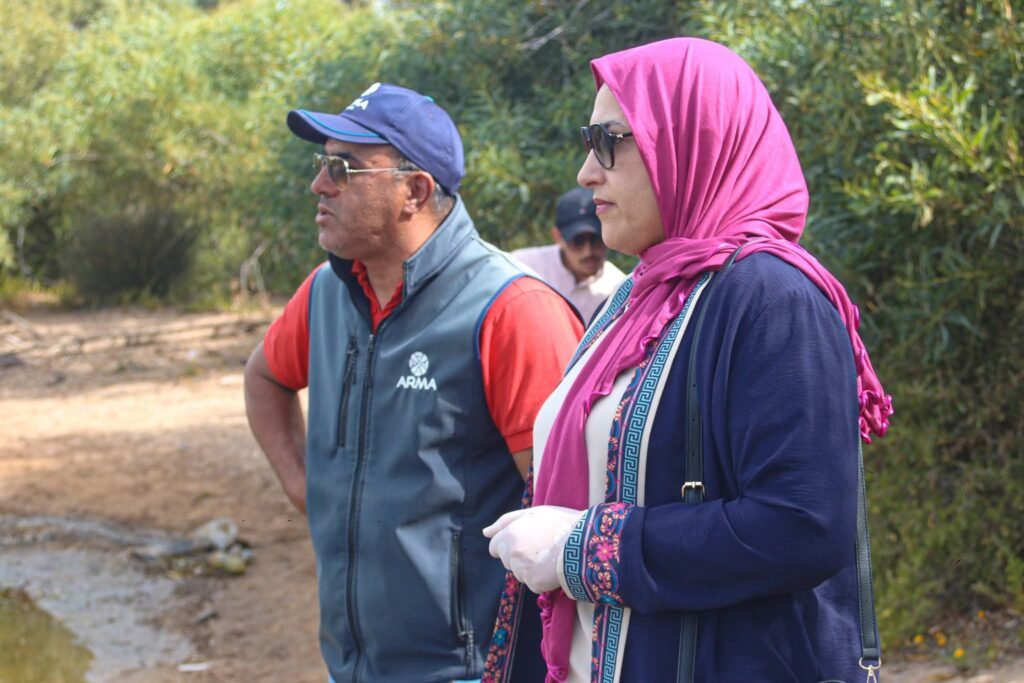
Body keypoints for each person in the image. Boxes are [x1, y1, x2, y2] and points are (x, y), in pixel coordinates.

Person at [481, 38, 893, 682]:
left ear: (690, 142)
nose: (586, 172)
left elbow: (803, 526)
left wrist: (581, 548)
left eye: (608, 141)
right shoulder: (636, 297)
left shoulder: (771, 298)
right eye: (588, 142)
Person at [243, 82, 584, 683]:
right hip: (352, 664)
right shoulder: (327, 293)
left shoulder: (512, 310)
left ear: (415, 191)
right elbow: (265, 377)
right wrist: (307, 489)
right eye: (322, 164)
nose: (319, 184)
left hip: (472, 669)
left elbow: (562, 511)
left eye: (343, 168)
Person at [511, 187, 626, 322]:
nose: (588, 251)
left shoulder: (617, 290)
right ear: (558, 237)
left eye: (596, 239)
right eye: (578, 241)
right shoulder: (522, 267)